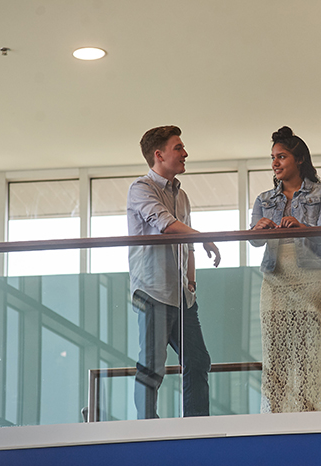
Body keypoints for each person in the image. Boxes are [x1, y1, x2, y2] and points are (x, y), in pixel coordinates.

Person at [127, 125, 221, 418]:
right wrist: (203, 235)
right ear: (159, 154)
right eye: (178, 148)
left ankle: (196, 424)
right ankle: (147, 427)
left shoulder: (182, 196)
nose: (185, 153)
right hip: (153, 289)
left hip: (181, 294)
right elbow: (165, 224)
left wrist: (191, 282)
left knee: (198, 360)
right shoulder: (142, 188)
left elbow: (186, 245)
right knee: (152, 364)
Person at [250, 126, 321, 413]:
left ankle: (307, 416)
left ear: (299, 159)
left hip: (311, 278)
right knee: (275, 354)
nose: (275, 163)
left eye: (281, 156)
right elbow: (252, 241)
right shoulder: (264, 199)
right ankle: (274, 416)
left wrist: (303, 227)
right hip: (275, 279)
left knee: (307, 354)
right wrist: (258, 229)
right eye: (273, 157)